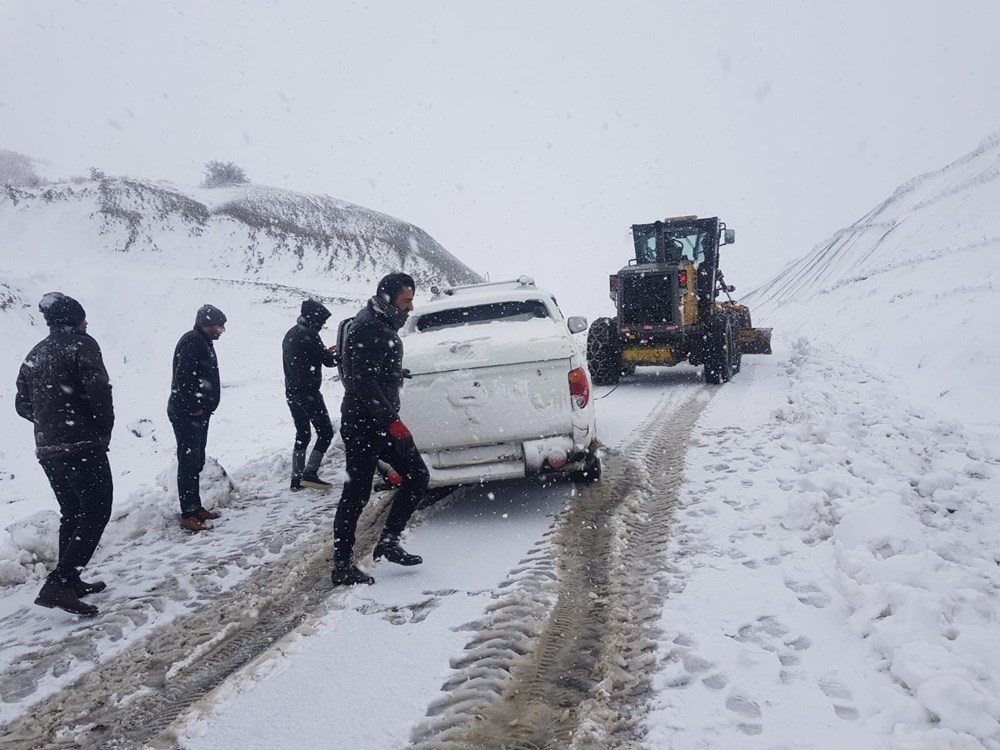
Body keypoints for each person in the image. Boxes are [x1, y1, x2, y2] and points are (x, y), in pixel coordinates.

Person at [15, 293, 114, 617]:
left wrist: (48, 420)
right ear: (75, 320)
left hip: (48, 448)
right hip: (81, 444)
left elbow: (22, 403)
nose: (88, 324)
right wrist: (101, 427)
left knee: (72, 511)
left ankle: (71, 581)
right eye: (84, 318)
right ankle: (61, 582)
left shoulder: (35, 353)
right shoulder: (82, 345)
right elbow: (99, 389)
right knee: (97, 509)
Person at [331, 273, 429, 586]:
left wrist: (394, 373)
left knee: (418, 475)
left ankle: (388, 542)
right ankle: (342, 566)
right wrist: (392, 421)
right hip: (364, 424)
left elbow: (370, 368)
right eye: (406, 301)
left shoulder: (377, 321)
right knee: (355, 495)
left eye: (411, 300)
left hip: (377, 421)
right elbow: (361, 381)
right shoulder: (369, 326)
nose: (411, 307)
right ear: (388, 299)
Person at [168, 304, 227, 532]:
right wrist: (194, 407)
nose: (221, 330)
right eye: (218, 325)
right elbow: (184, 377)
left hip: (197, 413)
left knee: (196, 460)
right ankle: (188, 514)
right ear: (206, 324)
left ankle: (195, 507)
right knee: (189, 461)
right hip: (187, 414)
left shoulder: (202, 341)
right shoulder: (193, 341)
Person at [282, 299, 338, 491]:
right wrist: (340, 353)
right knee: (326, 433)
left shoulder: (292, 333)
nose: (322, 325)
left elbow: (312, 356)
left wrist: (323, 353)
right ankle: (310, 473)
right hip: (309, 393)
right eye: (321, 321)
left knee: (302, 433)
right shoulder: (310, 335)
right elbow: (329, 362)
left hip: (292, 392)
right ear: (314, 319)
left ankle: (296, 479)